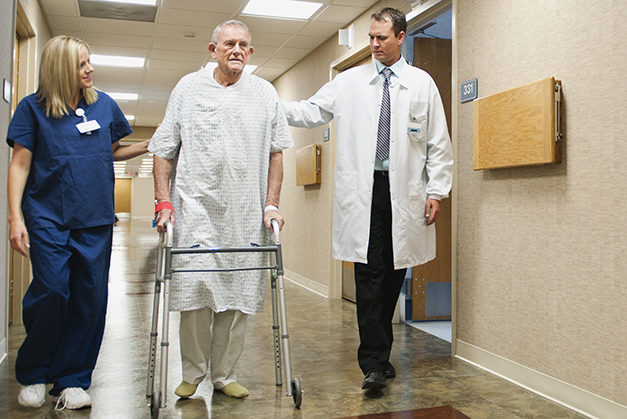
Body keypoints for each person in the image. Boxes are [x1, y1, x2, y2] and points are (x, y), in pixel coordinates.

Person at [282, 7, 453, 391]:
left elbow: (438, 143)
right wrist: (268, 105)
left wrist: (436, 190)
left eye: (381, 38)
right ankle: (373, 362)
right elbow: (311, 111)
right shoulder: (348, 81)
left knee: (394, 270)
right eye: (371, 38)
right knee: (368, 272)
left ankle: (382, 352)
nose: (374, 45)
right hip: (365, 190)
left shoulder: (422, 83)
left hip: (405, 192)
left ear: (400, 37)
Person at [150, 20, 293, 400]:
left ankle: (224, 375)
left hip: (246, 212)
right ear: (212, 49)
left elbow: (276, 152)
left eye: (244, 45)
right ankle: (193, 374)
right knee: (196, 292)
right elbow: (164, 149)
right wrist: (163, 201)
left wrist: (271, 203)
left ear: (250, 52)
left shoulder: (265, 93)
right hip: (195, 210)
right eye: (229, 43)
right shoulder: (187, 88)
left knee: (238, 295)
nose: (237, 50)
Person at [6, 35, 150, 410]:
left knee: (90, 298)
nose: (90, 69)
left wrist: (152, 143)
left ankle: (72, 378)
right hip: (47, 215)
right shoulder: (32, 109)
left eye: (89, 61)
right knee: (52, 290)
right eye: (82, 64)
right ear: (60, 69)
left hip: (95, 217)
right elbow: (20, 163)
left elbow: (114, 149)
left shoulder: (103, 105)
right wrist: (14, 216)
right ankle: (36, 372)